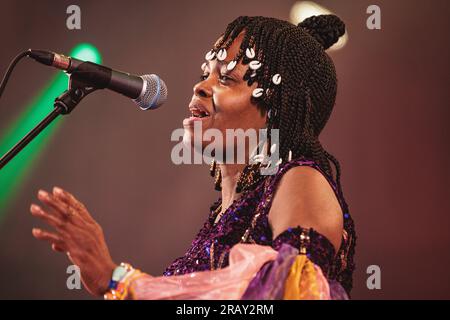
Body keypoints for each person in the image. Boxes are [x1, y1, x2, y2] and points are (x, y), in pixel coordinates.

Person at [30, 15, 356, 300]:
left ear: (278, 105)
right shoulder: (224, 215)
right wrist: (114, 283)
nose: (200, 85)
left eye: (226, 78)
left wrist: (116, 280)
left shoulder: (302, 181)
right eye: (206, 73)